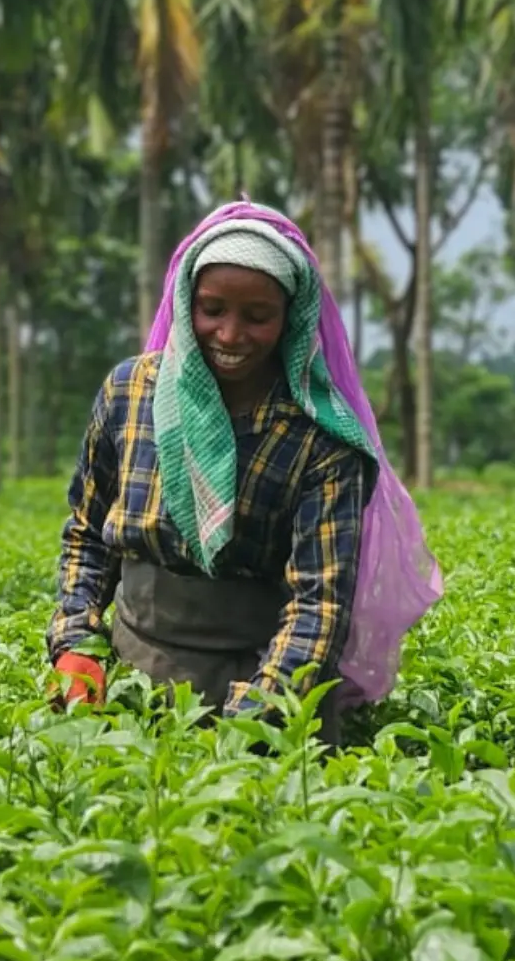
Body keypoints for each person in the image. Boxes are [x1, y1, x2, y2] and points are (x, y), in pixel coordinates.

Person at [47, 202, 441, 732]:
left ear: (291, 317)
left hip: (270, 683)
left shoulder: (321, 438)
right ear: (187, 303)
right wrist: (76, 643)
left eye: (257, 317)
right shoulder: (130, 392)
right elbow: (88, 534)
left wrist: (255, 718)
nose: (230, 335)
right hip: (131, 677)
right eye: (212, 309)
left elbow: (319, 602)